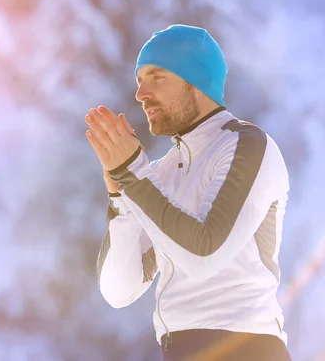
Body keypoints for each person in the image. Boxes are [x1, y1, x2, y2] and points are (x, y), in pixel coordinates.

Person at [85, 24, 292, 361]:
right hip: (180, 350)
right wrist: (121, 199)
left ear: (194, 79)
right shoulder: (160, 173)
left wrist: (134, 175)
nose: (140, 94)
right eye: (139, 80)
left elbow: (204, 256)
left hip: (246, 349)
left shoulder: (247, 146)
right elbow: (118, 290)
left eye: (157, 77)